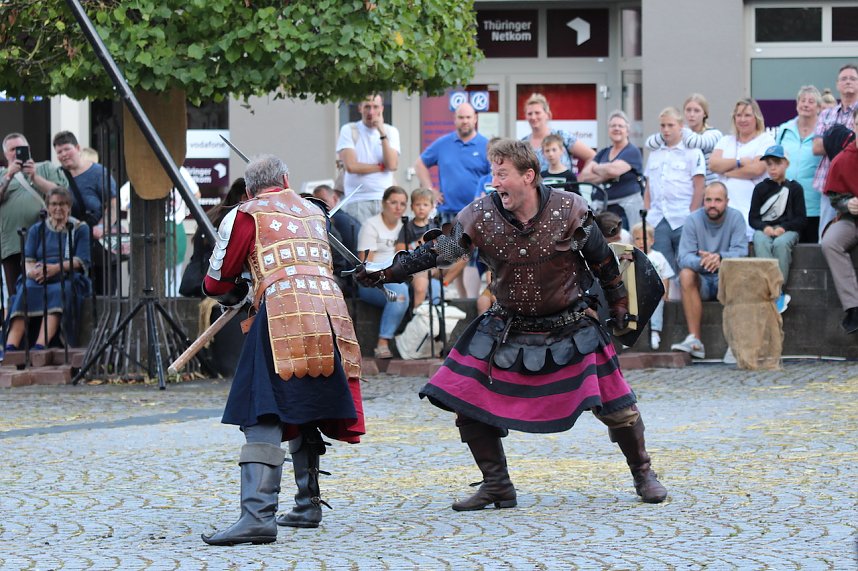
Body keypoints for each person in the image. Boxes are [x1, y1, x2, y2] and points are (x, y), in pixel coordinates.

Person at [358, 138, 668, 507]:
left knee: (618, 406)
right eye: (493, 173)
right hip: (507, 324)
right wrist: (388, 271)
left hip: (570, 324)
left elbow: (603, 261)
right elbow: (438, 252)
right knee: (463, 395)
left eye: (502, 174)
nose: (496, 182)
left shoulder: (570, 210)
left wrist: (618, 303)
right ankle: (497, 485)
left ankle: (643, 473)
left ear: (529, 176)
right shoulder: (480, 215)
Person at [200, 154, 364, 546]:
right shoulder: (315, 212)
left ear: (249, 188)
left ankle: (257, 515)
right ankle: (308, 504)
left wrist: (240, 289)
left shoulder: (244, 214)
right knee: (305, 400)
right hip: (329, 312)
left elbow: (214, 283)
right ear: (287, 179)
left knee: (262, 409)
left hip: (279, 312)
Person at [4, 187, 91, 350]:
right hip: (38, 276)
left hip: (66, 275)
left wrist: (56, 269)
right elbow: (28, 260)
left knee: (59, 292)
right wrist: (33, 272)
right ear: (47, 207)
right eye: (54, 204)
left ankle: (40, 345)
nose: (58, 208)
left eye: (63, 204)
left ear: (69, 207)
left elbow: (81, 260)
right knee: (25, 291)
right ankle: (11, 347)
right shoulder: (37, 229)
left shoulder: (79, 228)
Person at [670, 182, 748, 359]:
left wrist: (720, 258)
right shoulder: (693, 219)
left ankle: (736, 344)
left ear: (727, 201)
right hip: (702, 280)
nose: (712, 204)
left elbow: (742, 252)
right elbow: (683, 257)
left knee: (740, 275)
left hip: (726, 278)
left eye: (718, 200)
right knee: (685, 274)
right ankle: (695, 341)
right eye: (708, 200)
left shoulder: (736, 218)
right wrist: (706, 261)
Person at [0, 133, 67, 296]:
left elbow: (61, 195)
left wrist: (35, 177)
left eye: (20, 148)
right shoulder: (2, 174)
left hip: (46, 241)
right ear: (5, 154)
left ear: (28, 149)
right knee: (17, 294)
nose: (16, 153)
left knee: (46, 290)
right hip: (13, 245)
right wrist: (9, 176)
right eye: (12, 149)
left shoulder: (45, 167)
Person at [53, 131, 119, 295]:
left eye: (67, 149)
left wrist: (103, 226)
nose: (63, 155)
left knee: (104, 292)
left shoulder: (98, 173)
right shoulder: (58, 175)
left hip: (98, 242)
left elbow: (113, 204)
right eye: (59, 152)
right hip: (71, 244)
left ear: (77, 148)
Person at [643, 106, 706, 275]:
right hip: (658, 218)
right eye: (663, 126)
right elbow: (648, 186)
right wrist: (648, 211)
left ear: (681, 126)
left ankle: (684, 302)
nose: (666, 130)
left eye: (670, 125)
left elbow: (699, 187)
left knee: (685, 266)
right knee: (662, 269)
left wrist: (692, 213)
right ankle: (668, 301)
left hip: (683, 217)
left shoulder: (693, 151)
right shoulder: (655, 153)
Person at [748, 145, 806, 314]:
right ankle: (768, 290)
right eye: (769, 164)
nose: (772, 168)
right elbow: (753, 218)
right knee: (760, 240)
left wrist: (784, 227)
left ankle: (777, 291)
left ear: (786, 164)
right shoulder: (760, 189)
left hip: (788, 231)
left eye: (777, 163)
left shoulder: (795, 188)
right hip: (765, 230)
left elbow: (801, 219)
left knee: (781, 244)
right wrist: (764, 227)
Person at [709, 98, 775, 241]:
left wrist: (727, 172)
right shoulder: (726, 140)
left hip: (751, 209)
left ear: (756, 118)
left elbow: (757, 169)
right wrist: (739, 162)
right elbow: (713, 164)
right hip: (725, 210)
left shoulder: (765, 140)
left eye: (747, 115)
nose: (742, 119)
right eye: (739, 115)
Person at [356, 185, 410, 359]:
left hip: (402, 276)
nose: (398, 208)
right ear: (383, 203)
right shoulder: (371, 225)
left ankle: (419, 343)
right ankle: (383, 343)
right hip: (373, 282)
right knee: (400, 293)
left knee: (434, 287)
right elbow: (366, 265)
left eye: (402, 204)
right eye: (393, 202)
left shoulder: (407, 225)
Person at [414, 102, 491, 224]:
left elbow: (493, 177)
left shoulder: (487, 146)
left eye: (468, 117)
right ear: (455, 119)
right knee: (447, 244)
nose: (465, 121)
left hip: (477, 214)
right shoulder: (443, 144)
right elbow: (419, 164)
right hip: (447, 214)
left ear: (475, 119)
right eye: (461, 117)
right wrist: (430, 190)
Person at [820, 107, 858, 334]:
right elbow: (835, 197)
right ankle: (853, 307)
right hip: (852, 219)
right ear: (854, 126)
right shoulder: (844, 158)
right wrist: (847, 204)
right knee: (830, 242)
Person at [336, 93, 400, 221]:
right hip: (357, 200)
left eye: (375, 107)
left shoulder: (390, 131)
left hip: (385, 199)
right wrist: (381, 167)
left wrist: (382, 132)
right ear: (360, 108)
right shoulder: (349, 129)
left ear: (382, 108)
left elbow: (392, 164)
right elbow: (352, 166)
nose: (371, 111)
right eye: (367, 107)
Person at [578, 110, 645, 230]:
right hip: (602, 210)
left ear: (627, 130)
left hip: (625, 212)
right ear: (608, 129)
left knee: (625, 246)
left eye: (620, 126)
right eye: (613, 125)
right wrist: (607, 173)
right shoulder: (603, 152)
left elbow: (613, 171)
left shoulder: (632, 151)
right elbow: (584, 176)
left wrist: (596, 168)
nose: (616, 128)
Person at [812, 64, 858, 238]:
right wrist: (850, 143)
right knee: (826, 236)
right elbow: (816, 147)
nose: (848, 82)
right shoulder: (826, 114)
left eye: (853, 78)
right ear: (837, 85)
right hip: (829, 184)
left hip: (855, 184)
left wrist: (832, 140)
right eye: (844, 79)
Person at [776, 86, 823, 243]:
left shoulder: (824, 131)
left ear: (818, 107)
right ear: (797, 104)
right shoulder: (784, 129)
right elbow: (775, 160)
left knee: (812, 252)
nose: (806, 104)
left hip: (814, 203)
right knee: (787, 249)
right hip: (787, 203)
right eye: (802, 100)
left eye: (811, 101)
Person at [645, 93, 723, 186]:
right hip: (688, 189)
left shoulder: (714, 134)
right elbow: (649, 144)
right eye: (688, 110)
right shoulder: (681, 132)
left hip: (709, 189)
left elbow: (693, 142)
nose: (692, 114)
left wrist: (678, 130)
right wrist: (669, 132)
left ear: (704, 114)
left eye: (696, 111)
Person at [520, 92, 594, 174]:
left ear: (547, 115)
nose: (533, 117)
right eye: (530, 114)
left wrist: (580, 180)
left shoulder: (562, 136)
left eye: (537, 113)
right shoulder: (523, 144)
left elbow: (592, 156)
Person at [395, 188, 441, 309]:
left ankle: (444, 284)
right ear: (412, 207)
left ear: (432, 207)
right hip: (416, 264)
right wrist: (418, 243)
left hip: (435, 263)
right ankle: (416, 315)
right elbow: (399, 249)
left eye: (425, 205)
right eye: (418, 204)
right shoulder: (408, 227)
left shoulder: (434, 225)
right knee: (420, 287)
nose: (421, 208)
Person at [631, 222, 674, 351]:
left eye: (644, 238)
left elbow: (665, 275)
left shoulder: (658, 257)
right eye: (637, 239)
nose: (641, 242)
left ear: (652, 240)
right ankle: (629, 333)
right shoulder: (632, 256)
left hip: (654, 292)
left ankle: (655, 331)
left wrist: (665, 293)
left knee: (657, 306)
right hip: (637, 292)